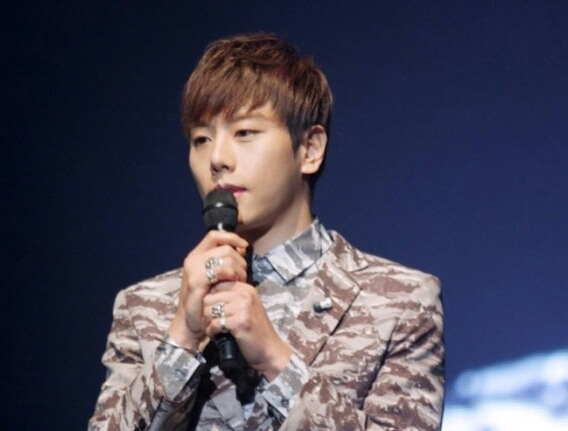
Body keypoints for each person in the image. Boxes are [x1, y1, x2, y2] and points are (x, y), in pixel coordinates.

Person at [89, 32, 445, 431]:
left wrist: (277, 361)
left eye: (244, 132)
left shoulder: (399, 301)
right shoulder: (145, 306)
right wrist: (182, 338)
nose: (217, 159)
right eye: (201, 139)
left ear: (309, 148)